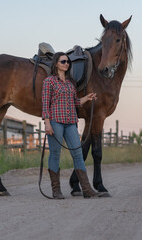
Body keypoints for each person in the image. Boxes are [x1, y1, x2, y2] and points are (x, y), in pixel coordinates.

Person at [42, 52, 102, 199]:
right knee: (55, 154)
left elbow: (75, 102)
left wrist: (87, 98)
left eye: (68, 62)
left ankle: (87, 189)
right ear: (56, 63)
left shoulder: (70, 83)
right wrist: (47, 123)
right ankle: (56, 190)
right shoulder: (49, 81)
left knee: (78, 154)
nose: (66, 64)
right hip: (55, 121)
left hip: (70, 122)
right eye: (63, 61)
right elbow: (45, 104)